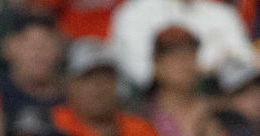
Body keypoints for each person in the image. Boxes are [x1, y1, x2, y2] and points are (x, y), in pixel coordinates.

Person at [108, 0, 256, 92]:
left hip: (219, 96)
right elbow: (142, 72)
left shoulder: (221, 13)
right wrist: (211, 64)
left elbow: (246, 62)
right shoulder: (132, 13)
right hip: (149, 102)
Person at [0, 12, 65, 136]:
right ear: (8, 48)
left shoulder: (71, 99)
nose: (38, 53)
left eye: (46, 45)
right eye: (30, 45)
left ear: (59, 50)